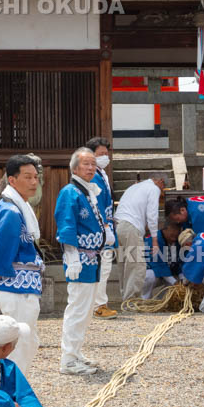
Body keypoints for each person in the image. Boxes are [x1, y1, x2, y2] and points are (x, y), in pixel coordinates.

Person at [0, 155, 45, 376]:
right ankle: (12, 391)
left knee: (27, 340)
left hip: (22, 286)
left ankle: (14, 388)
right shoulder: (11, 211)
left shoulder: (16, 207)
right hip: (16, 287)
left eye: (36, 177)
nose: (34, 182)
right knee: (19, 342)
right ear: (12, 180)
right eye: (27, 177)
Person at [55, 148, 108, 375]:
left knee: (86, 310)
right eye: (86, 164)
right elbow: (67, 225)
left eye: (93, 164)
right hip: (81, 258)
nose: (90, 168)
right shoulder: (70, 192)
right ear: (75, 168)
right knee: (77, 308)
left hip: (93, 258)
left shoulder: (88, 191)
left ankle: (76, 352)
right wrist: (72, 256)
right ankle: (68, 359)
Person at [115, 172, 165, 301]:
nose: (162, 191)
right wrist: (155, 239)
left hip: (118, 226)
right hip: (131, 226)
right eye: (163, 188)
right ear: (160, 181)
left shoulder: (134, 187)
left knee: (124, 264)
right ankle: (132, 299)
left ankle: (125, 298)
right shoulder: (153, 189)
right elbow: (152, 215)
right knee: (137, 264)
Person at [88, 137, 118, 320]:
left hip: (104, 225)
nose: (105, 157)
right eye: (101, 154)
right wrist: (106, 227)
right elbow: (97, 203)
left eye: (106, 154)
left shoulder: (100, 174)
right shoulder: (94, 176)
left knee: (103, 266)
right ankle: (99, 304)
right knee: (103, 266)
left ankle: (98, 303)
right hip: (100, 227)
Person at [142, 223, 182, 298]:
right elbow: (158, 264)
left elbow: (179, 263)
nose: (174, 239)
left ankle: (162, 300)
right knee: (149, 275)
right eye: (172, 236)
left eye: (176, 237)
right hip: (151, 271)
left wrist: (182, 281)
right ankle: (144, 300)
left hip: (166, 272)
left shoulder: (176, 241)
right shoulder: (153, 240)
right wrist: (175, 283)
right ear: (165, 230)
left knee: (179, 280)